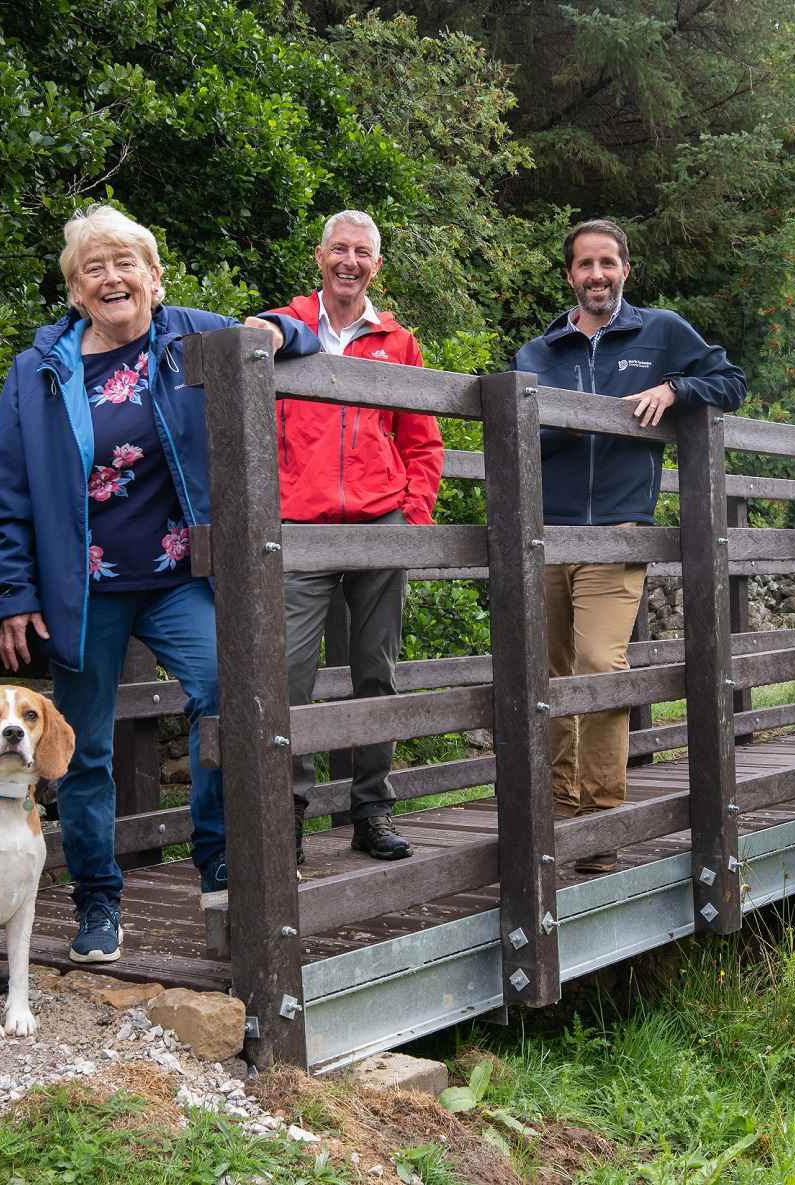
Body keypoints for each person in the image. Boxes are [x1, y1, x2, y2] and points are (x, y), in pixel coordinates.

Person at [0, 204, 317, 963]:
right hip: (83, 587)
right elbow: (5, 488)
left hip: (177, 576)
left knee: (225, 696)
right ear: (74, 290)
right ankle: (98, 900)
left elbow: (285, 334)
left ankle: (220, 865)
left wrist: (278, 330)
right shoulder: (41, 370)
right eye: (92, 268)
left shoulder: (189, 338)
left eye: (126, 263)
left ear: (155, 277)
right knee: (82, 746)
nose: (112, 278)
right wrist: (17, 591)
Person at [515, 218, 747, 874]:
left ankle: (603, 815)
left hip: (619, 528)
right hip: (547, 531)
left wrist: (675, 388)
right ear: (569, 274)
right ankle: (563, 806)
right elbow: (520, 429)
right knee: (554, 672)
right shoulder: (540, 352)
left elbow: (729, 380)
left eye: (607, 263)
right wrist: (577, 424)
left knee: (597, 661)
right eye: (585, 265)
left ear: (625, 268)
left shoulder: (662, 332)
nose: (597, 275)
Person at [267, 210, 443, 863]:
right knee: (287, 673)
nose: (349, 260)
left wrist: (412, 518)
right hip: (300, 527)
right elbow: (248, 427)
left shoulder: (398, 342)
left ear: (377, 263)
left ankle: (371, 810)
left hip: (378, 525)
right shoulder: (279, 330)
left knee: (376, 671)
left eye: (362, 251)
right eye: (339, 248)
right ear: (319, 256)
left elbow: (422, 440)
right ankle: (286, 813)